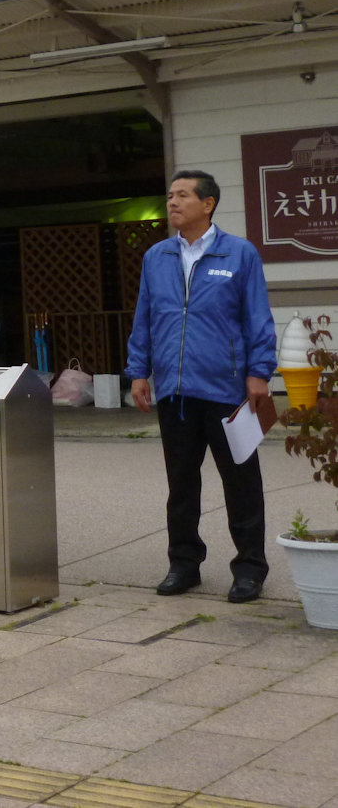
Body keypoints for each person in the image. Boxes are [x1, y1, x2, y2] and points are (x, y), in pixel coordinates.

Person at [127, 169, 277, 604]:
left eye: (182, 196)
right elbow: (146, 317)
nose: (172, 202)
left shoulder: (239, 254)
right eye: (170, 195)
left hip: (228, 390)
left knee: (241, 483)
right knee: (181, 484)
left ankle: (249, 568)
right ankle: (184, 564)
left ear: (207, 204)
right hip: (175, 392)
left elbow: (257, 317)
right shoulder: (157, 256)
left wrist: (258, 373)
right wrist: (139, 370)